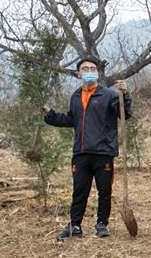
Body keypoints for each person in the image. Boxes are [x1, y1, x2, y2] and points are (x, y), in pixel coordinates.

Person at [43, 57, 132, 240]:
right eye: (85, 68)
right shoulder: (75, 96)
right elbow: (71, 119)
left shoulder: (109, 94)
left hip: (103, 152)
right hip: (81, 152)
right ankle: (75, 226)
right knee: (79, 191)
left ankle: (102, 224)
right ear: (78, 73)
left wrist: (125, 95)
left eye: (92, 68)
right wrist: (51, 117)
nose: (89, 70)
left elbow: (125, 113)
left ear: (97, 72)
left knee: (104, 191)